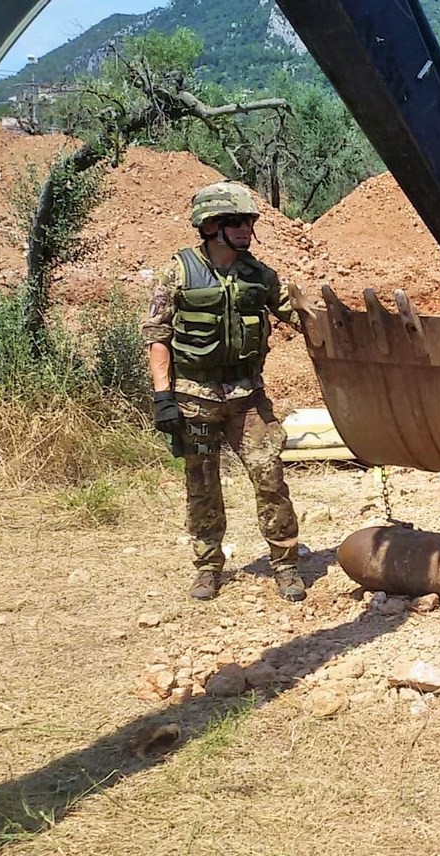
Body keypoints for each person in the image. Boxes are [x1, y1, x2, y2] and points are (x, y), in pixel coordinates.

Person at [141, 181, 306, 603]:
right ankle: (208, 566)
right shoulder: (178, 271)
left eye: (248, 222)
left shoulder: (259, 275)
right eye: (235, 222)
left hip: (247, 399)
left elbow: (298, 315)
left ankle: (285, 564)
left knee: (270, 477)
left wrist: (342, 329)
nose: (245, 229)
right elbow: (157, 335)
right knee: (202, 483)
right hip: (195, 400)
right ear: (210, 226)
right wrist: (163, 397)